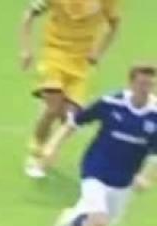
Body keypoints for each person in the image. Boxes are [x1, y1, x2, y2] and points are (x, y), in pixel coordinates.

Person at [34, 65, 157, 226]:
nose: (145, 88)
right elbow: (74, 122)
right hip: (95, 171)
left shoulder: (155, 114)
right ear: (131, 83)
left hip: (123, 181)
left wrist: (147, 176)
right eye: (141, 83)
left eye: (150, 84)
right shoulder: (111, 103)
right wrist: (52, 146)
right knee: (97, 221)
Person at [19, 0, 120, 179]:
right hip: (54, 55)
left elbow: (114, 24)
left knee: (70, 118)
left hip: (81, 63)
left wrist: (99, 52)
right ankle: (36, 152)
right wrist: (26, 50)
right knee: (52, 108)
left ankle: (50, 147)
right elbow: (29, 15)